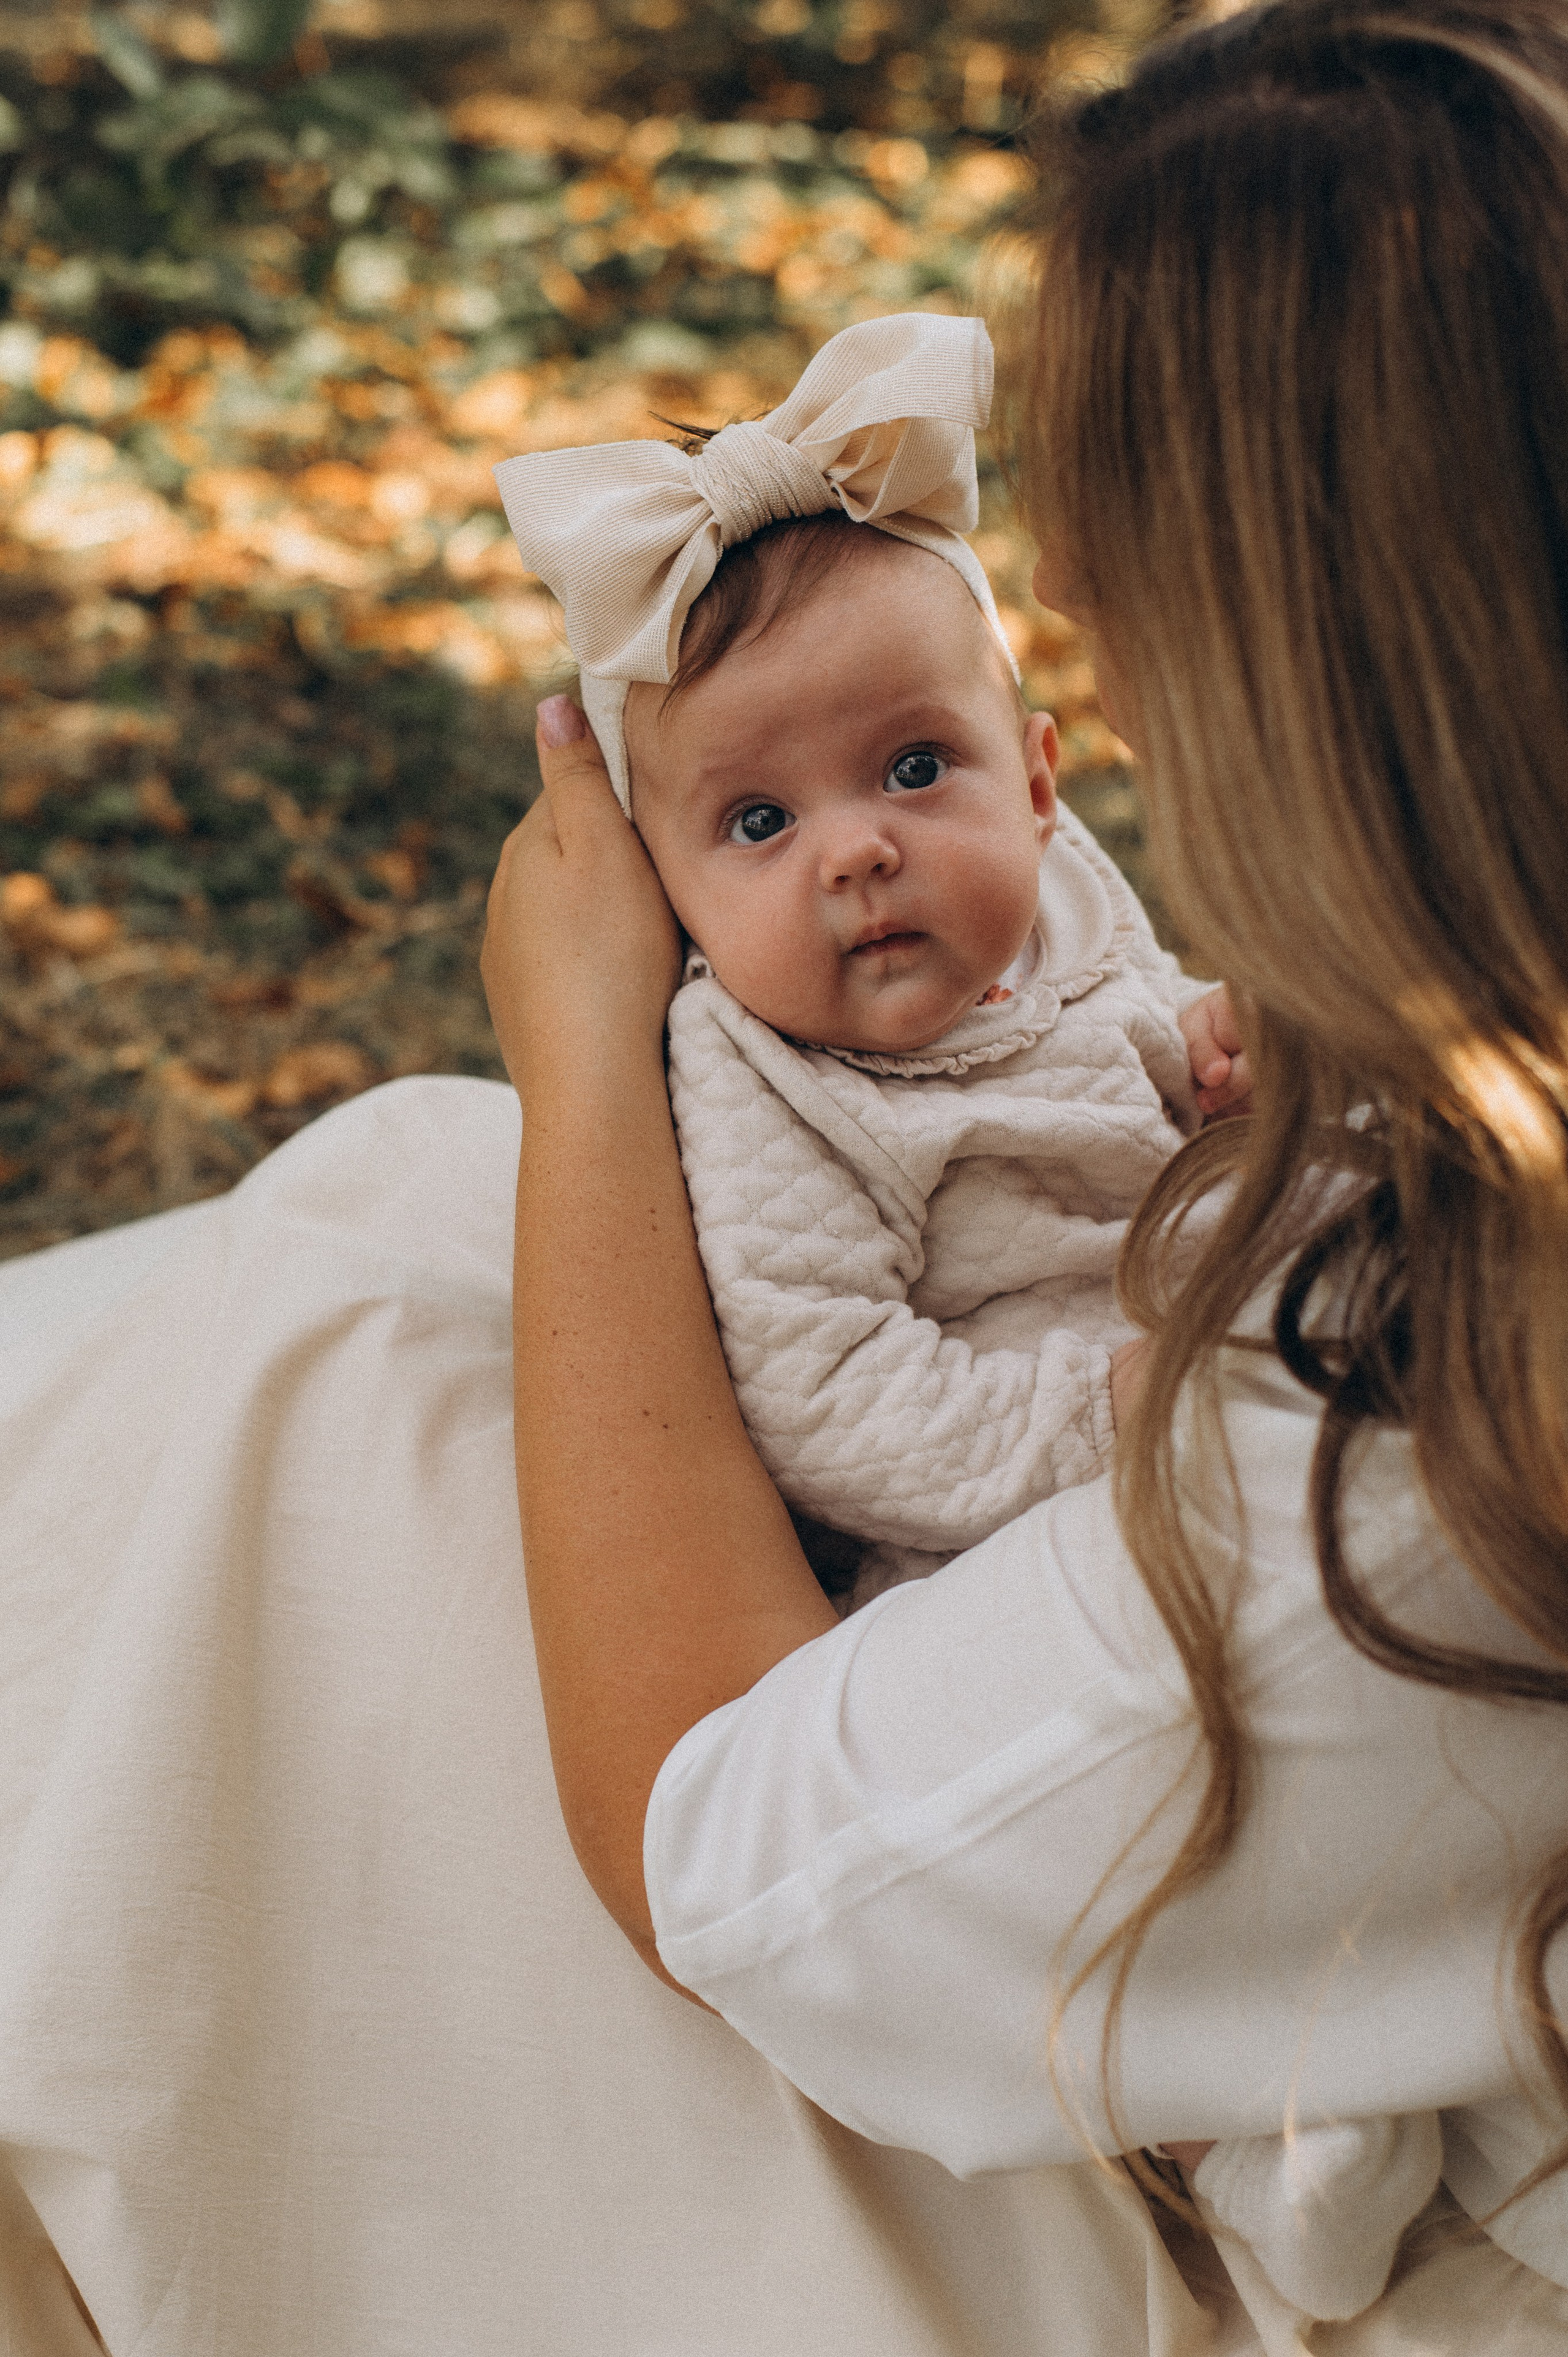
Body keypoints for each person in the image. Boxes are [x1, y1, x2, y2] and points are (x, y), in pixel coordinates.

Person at [1, 5, 1566, 2355]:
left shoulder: (1429, 1451)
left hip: (1253, 2183)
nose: (1116, 671)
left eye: (1124, 585)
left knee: (258, 1540)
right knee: (356, 1255)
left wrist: (590, 1056)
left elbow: (732, 1854)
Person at [497, 312, 1243, 1616]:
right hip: (990, 1528)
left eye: (912, 769)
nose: (852, 852)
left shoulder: (1059, 908)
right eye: (758, 822)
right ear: (663, 892)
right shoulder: (766, 1082)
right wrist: (1114, 1410)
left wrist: (1207, 1047)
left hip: (1203, 1356)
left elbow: (1125, 1042)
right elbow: (832, 1394)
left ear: (1034, 782)